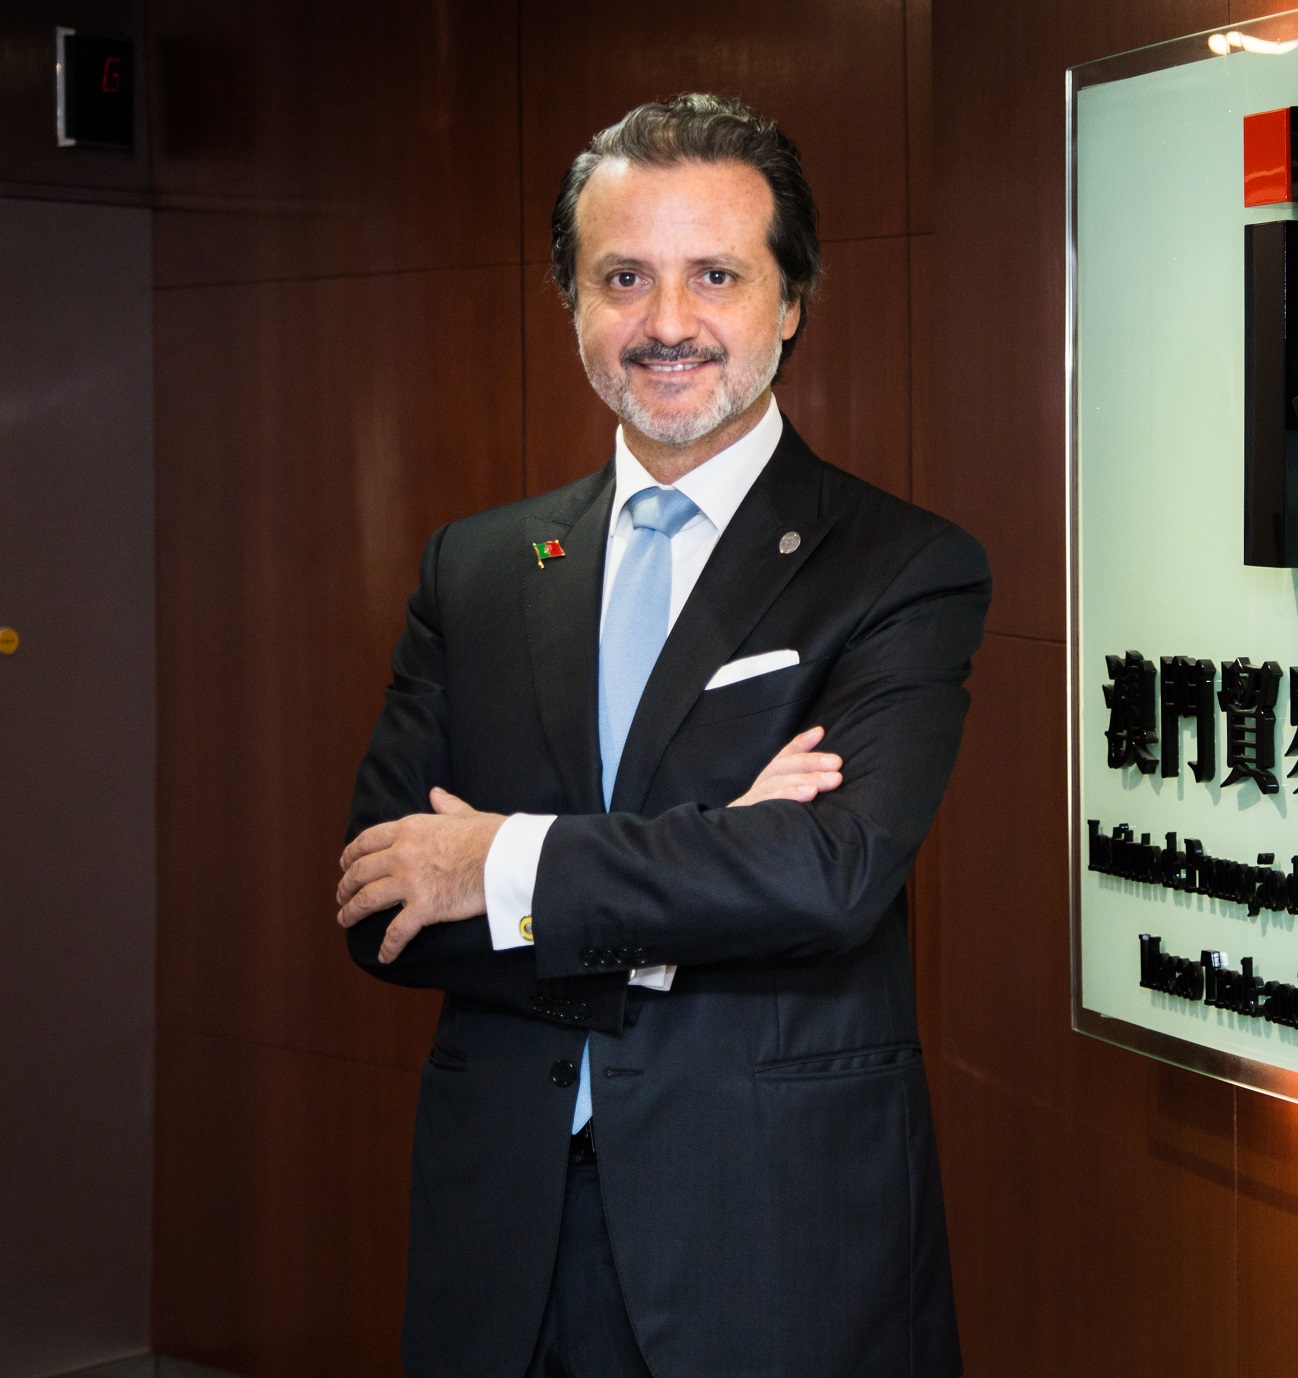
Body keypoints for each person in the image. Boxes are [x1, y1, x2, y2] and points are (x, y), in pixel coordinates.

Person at [334, 94, 985, 1378]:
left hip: (769, 1231)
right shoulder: (477, 567)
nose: (668, 322)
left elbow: (826, 876)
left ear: (791, 300)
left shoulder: (900, 566)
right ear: (570, 301)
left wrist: (503, 866)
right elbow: (381, 899)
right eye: (623, 277)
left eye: (716, 276)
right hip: (502, 1231)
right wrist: (709, 865)